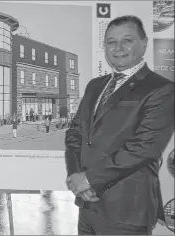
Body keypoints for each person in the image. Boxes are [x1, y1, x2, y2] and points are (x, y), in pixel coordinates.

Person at [64, 15, 174, 235]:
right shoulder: (95, 85)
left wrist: (88, 179)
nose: (118, 48)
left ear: (144, 43)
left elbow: (144, 148)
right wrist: (77, 177)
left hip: (126, 210)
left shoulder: (162, 89)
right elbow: (75, 133)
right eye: (111, 42)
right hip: (87, 204)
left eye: (127, 40)